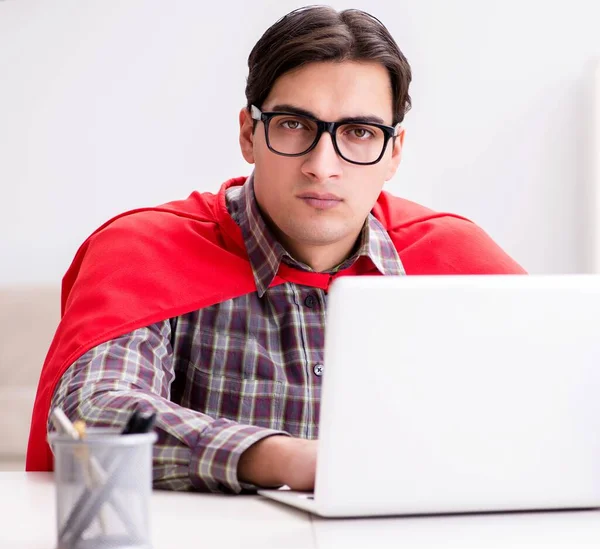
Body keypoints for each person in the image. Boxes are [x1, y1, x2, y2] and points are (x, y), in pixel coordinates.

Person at [26, 6, 525, 492]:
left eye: (359, 133)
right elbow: (91, 414)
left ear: (393, 153)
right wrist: (284, 458)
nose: (322, 165)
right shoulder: (146, 250)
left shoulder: (459, 263)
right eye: (293, 124)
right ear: (249, 133)